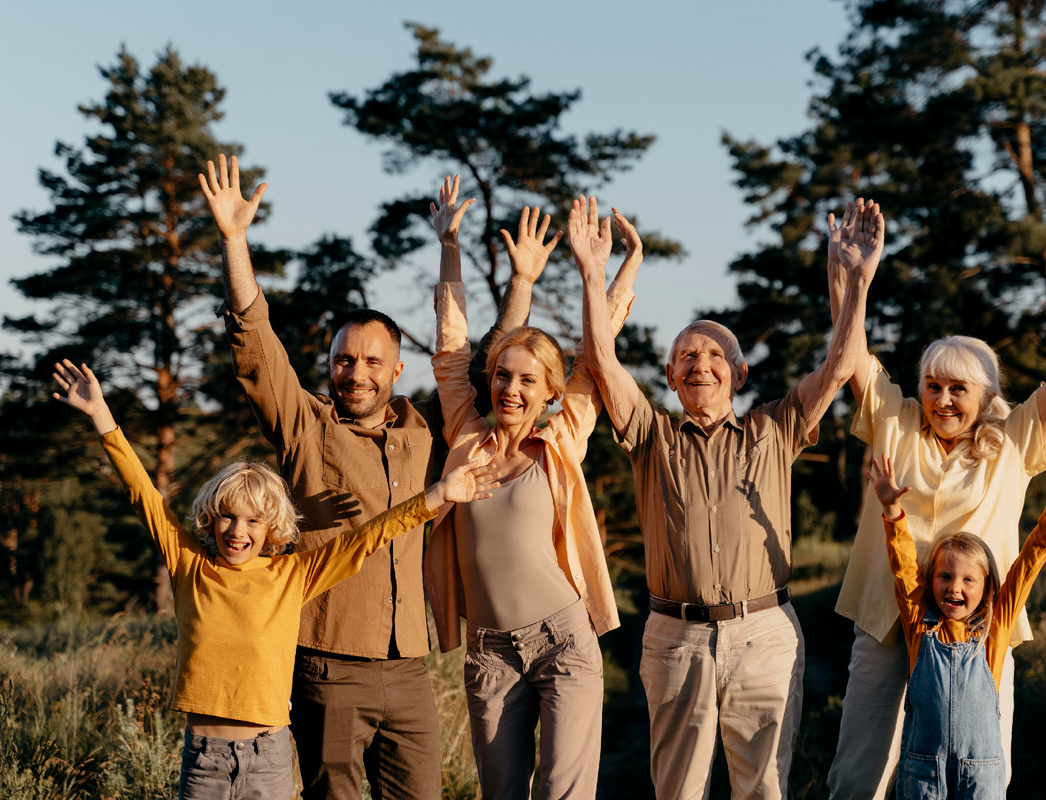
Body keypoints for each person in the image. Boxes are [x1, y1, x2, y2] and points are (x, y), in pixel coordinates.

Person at [199, 157, 538, 800]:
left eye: (371, 361)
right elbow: (255, 341)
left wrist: (508, 274)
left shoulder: (426, 428)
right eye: (343, 360)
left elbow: (490, 354)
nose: (356, 372)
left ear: (397, 369)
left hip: (409, 664)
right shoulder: (305, 427)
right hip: (327, 662)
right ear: (328, 365)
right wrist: (234, 241)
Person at [824, 198, 1046, 799]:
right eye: (932, 386)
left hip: (979, 633)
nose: (942, 399)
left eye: (958, 388)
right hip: (886, 621)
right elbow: (849, 357)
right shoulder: (894, 421)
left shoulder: (1014, 440)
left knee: (981, 778)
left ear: (986, 395)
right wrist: (850, 278)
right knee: (859, 777)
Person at [51, 358, 498, 800]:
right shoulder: (190, 565)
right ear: (210, 519)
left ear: (270, 529)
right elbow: (142, 493)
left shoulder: (293, 575)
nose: (237, 531)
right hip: (206, 760)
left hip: (270, 759)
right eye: (226, 517)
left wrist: (436, 495)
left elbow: (363, 539)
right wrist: (101, 416)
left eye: (251, 521)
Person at [579, 193, 882, 799]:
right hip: (673, 637)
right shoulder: (650, 433)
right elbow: (600, 361)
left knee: (763, 790)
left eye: (716, 354)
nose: (701, 364)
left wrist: (859, 281)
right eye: (686, 355)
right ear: (669, 377)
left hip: (764, 632)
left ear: (740, 375)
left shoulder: (777, 426)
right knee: (678, 791)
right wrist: (594, 274)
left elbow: (842, 364)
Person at [422, 182, 640, 799]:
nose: (509, 390)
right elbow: (449, 348)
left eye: (526, 380)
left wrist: (618, 270)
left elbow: (598, 352)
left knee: (563, 794)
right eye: (501, 377)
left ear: (549, 391)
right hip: (488, 652)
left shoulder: (562, 437)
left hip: (562, 641)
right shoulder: (467, 437)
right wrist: (450, 244)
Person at [868, 454, 1046, 798]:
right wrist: (892, 512)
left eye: (969, 579)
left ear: (987, 589)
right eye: (944, 576)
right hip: (923, 769)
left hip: (980, 772)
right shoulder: (920, 625)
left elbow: (1025, 570)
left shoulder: (993, 630)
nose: (954, 587)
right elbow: (904, 566)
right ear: (931, 580)